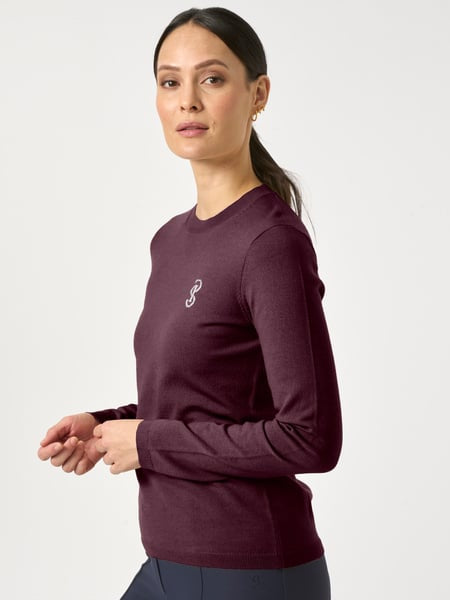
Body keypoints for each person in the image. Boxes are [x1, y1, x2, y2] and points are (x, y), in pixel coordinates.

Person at [37, 6, 343, 599]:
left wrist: (146, 440)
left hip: (250, 570)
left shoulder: (269, 243)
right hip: (170, 565)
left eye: (212, 78)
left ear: (258, 95)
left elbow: (310, 436)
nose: (188, 102)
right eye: (170, 82)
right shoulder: (170, 240)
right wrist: (109, 424)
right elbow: (207, 399)